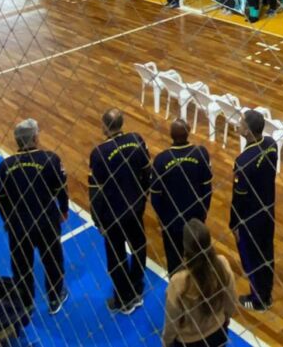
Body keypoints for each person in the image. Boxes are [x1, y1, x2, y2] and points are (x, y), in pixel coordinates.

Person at [0, 118, 69, 314]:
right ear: (35, 138)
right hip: (46, 222)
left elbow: (0, 198)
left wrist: (8, 219)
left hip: (19, 225)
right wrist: (63, 209)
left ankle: (26, 301)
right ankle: (55, 297)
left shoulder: (5, 166)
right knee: (52, 260)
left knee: (21, 265)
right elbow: (61, 189)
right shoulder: (50, 159)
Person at [89, 109, 151, 313]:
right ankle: (137, 285)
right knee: (139, 246)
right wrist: (142, 197)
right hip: (135, 209)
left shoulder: (99, 153)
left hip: (112, 215)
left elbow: (96, 191)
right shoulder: (137, 140)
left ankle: (124, 299)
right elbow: (147, 173)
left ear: (104, 126)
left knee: (116, 257)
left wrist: (98, 220)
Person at [161, 219, 238, 347]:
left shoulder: (178, 282)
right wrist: (225, 319)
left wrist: (166, 342)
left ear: (185, 247)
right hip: (217, 333)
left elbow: (171, 321)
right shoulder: (222, 265)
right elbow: (231, 300)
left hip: (190, 342)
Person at [229, 110, 278, 311]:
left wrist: (234, 223)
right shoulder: (271, 144)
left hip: (250, 218)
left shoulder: (243, 162)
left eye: (241, 122)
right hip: (268, 210)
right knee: (266, 253)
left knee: (251, 259)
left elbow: (238, 197)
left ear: (248, 131)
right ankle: (267, 291)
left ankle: (259, 300)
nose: (238, 124)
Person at [151, 119, 213, 272]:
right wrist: (203, 212)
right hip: (195, 219)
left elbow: (155, 196)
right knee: (198, 259)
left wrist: (162, 218)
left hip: (171, 222)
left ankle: (176, 285)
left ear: (170, 135)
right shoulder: (201, 154)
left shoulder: (161, 160)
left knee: (173, 261)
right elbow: (207, 188)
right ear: (189, 131)